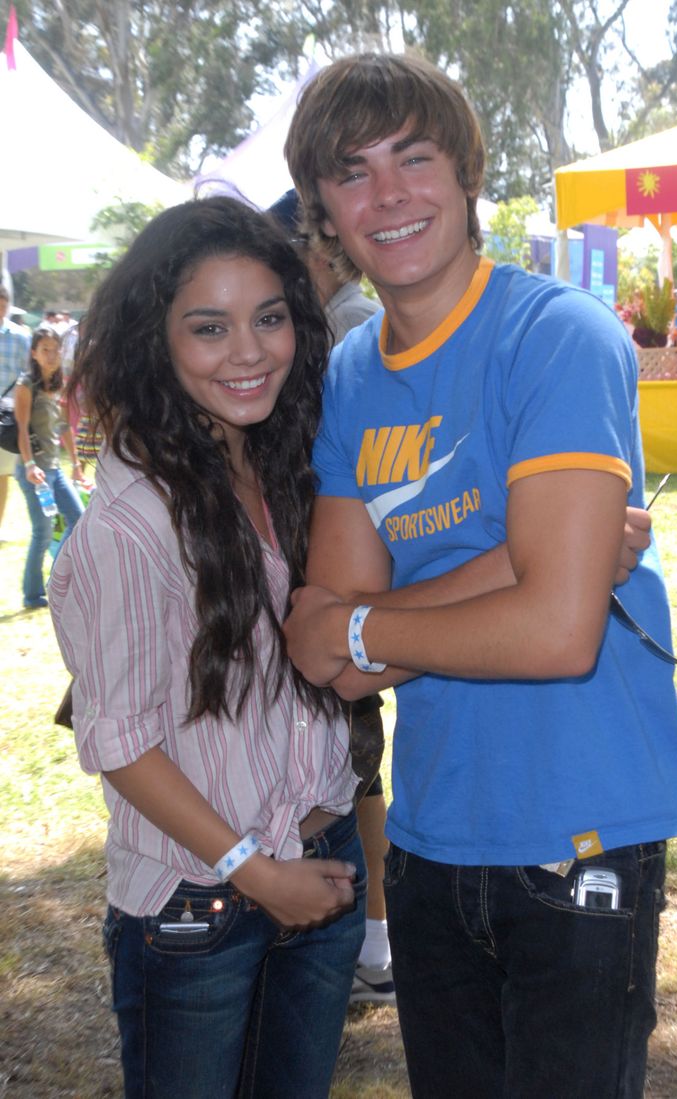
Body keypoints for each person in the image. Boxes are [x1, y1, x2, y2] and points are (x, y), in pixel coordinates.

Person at [282, 53, 677, 1099]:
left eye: (412, 157)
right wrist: (520, 563)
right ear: (324, 210)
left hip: (578, 834)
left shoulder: (554, 334)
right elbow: (322, 656)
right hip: (429, 839)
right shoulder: (350, 373)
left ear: (466, 170)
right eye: (352, 172)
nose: (388, 195)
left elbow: (555, 637)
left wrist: (368, 628)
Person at [47, 196, 366, 1099]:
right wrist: (255, 872)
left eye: (269, 317)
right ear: (158, 339)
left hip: (319, 870)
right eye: (209, 327)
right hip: (202, 905)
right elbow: (117, 740)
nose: (250, 350)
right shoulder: (133, 522)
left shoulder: (281, 463)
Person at [269, 188, 394, 1003]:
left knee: (351, 770)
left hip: (334, 589)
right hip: (323, 587)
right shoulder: (335, 321)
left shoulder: (347, 331)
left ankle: (369, 936)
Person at [14, 328, 85, 608]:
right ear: (34, 353)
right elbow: (21, 430)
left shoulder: (58, 384)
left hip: (54, 469)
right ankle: (32, 594)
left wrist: (77, 463)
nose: (52, 355)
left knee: (78, 519)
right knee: (42, 532)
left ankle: (57, 579)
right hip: (33, 471)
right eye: (45, 349)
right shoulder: (25, 385)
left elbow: (63, 426)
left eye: (55, 349)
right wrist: (30, 465)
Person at [0, 285, 31, 537]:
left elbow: (29, 373)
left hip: (6, 417)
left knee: (1, 475)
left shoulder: (20, 337)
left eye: (2, 304)